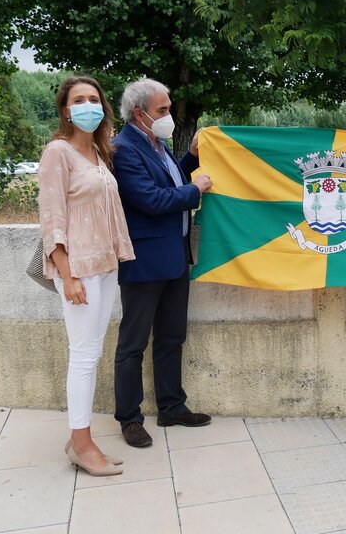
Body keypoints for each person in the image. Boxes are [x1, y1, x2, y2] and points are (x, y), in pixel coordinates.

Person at [38, 76, 133, 476]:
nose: (88, 105)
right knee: (82, 356)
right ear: (65, 110)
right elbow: (52, 216)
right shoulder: (57, 153)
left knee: (92, 351)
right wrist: (68, 275)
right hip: (78, 269)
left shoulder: (99, 152)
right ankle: (81, 444)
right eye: (80, 100)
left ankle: (83, 440)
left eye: (94, 99)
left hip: (105, 265)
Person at [111, 78, 213, 448]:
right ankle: (130, 419)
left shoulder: (158, 145)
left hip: (173, 257)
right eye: (163, 110)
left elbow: (171, 179)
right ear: (139, 114)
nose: (169, 115)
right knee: (133, 343)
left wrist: (194, 157)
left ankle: (172, 407)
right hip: (143, 262)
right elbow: (152, 199)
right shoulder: (123, 150)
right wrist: (195, 190)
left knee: (172, 337)